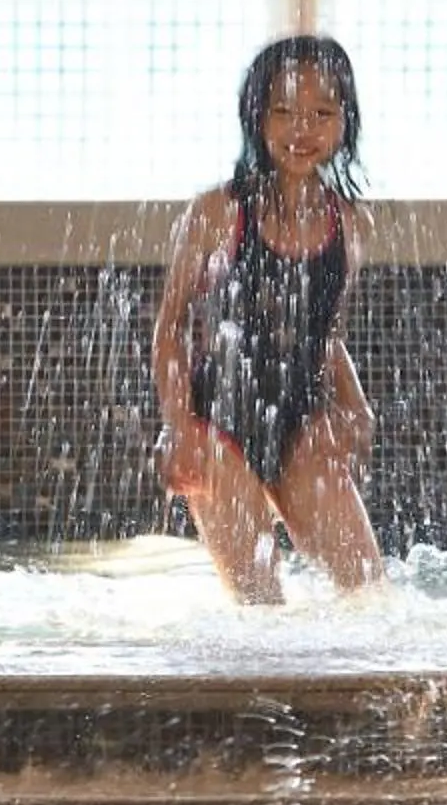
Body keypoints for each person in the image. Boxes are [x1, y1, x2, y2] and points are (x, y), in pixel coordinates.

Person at [151, 35, 383, 603]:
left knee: (370, 597)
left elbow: (324, 334)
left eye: (321, 113)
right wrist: (178, 427)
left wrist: (355, 409)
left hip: (300, 426)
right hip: (217, 427)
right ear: (256, 117)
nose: (302, 129)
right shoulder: (218, 212)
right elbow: (172, 326)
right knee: (262, 610)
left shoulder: (349, 223)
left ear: (345, 121)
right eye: (283, 110)